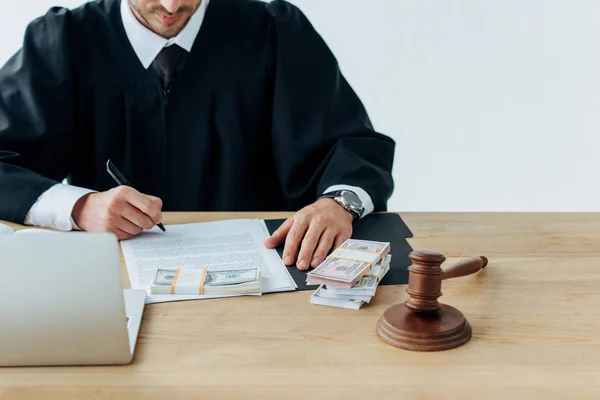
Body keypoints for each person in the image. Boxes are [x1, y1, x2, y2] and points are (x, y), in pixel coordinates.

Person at [0, 0, 395, 270]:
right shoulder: (63, 41)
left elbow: (352, 144)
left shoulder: (275, 31)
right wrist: (81, 207)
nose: (172, 7)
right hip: (109, 283)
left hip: (265, 277)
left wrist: (338, 203)